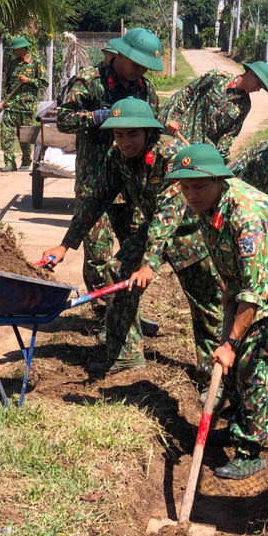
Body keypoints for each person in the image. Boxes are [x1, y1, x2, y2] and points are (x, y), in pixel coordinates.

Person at [41, 98, 223, 379]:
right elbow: (96, 198)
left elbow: (169, 214)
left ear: (149, 131)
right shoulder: (118, 157)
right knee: (117, 270)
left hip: (190, 231)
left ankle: (212, 374)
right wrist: (66, 244)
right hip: (154, 229)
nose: (125, 142)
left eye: (132, 134)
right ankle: (126, 356)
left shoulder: (170, 155)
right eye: (118, 134)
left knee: (205, 303)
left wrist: (148, 264)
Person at [165, 144, 268, 480]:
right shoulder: (209, 204)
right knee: (233, 361)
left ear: (219, 179)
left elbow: (256, 292)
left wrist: (229, 344)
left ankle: (249, 451)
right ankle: (238, 425)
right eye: (185, 187)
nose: (191, 194)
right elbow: (226, 254)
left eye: (198, 186)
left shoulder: (247, 216)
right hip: (248, 281)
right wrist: (230, 285)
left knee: (250, 363)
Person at [56, 29, 163, 324]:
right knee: (98, 254)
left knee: (132, 248)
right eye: (136, 63)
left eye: (145, 66)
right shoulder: (90, 82)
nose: (140, 70)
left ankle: (127, 313)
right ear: (121, 54)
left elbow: (154, 129)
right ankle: (104, 314)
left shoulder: (145, 89)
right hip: (96, 181)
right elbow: (63, 119)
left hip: (131, 185)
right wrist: (97, 117)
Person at [160, 61, 268, 162]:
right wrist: (175, 118)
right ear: (251, 73)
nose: (258, 89)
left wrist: (220, 161)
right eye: (258, 84)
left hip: (202, 154)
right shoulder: (216, 78)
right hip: (181, 138)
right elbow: (187, 93)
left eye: (261, 87)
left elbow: (229, 136)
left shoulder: (245, 105)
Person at [0, 35, 48, 172]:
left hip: (26, 107)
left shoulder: (36, 63)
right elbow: (7, 85)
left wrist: (29, 80)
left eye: (15, 49)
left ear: (22, 49)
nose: (13, 52)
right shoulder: (12, 64)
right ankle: (9, 163)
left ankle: (26, 159)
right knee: (6, 135)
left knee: (24, 137)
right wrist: (3, 101)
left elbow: (44, 82)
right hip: (11, 106)